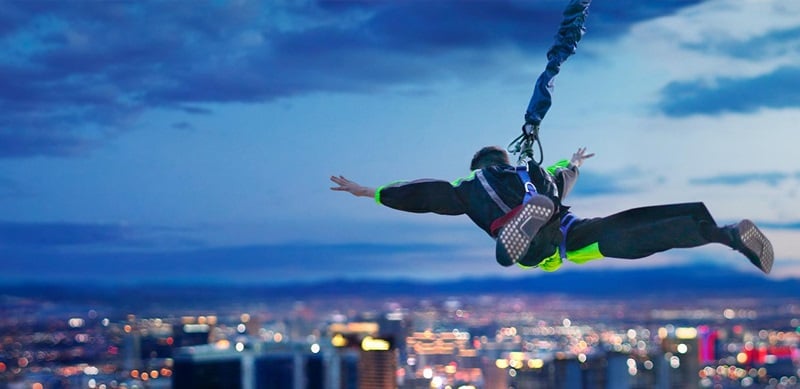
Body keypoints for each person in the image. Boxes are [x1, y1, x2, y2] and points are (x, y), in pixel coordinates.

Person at [329, 146, 774, 274]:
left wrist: (371, 191)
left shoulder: (465, 188)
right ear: (503, 161)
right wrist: (574, 162)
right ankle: (723, 233)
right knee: (628, 234)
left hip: (533, 242)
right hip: (568, 229)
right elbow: (564, 174)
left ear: (476, 167)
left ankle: (517, 232)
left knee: (511, 255)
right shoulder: (530, 173)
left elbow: (420, 194)